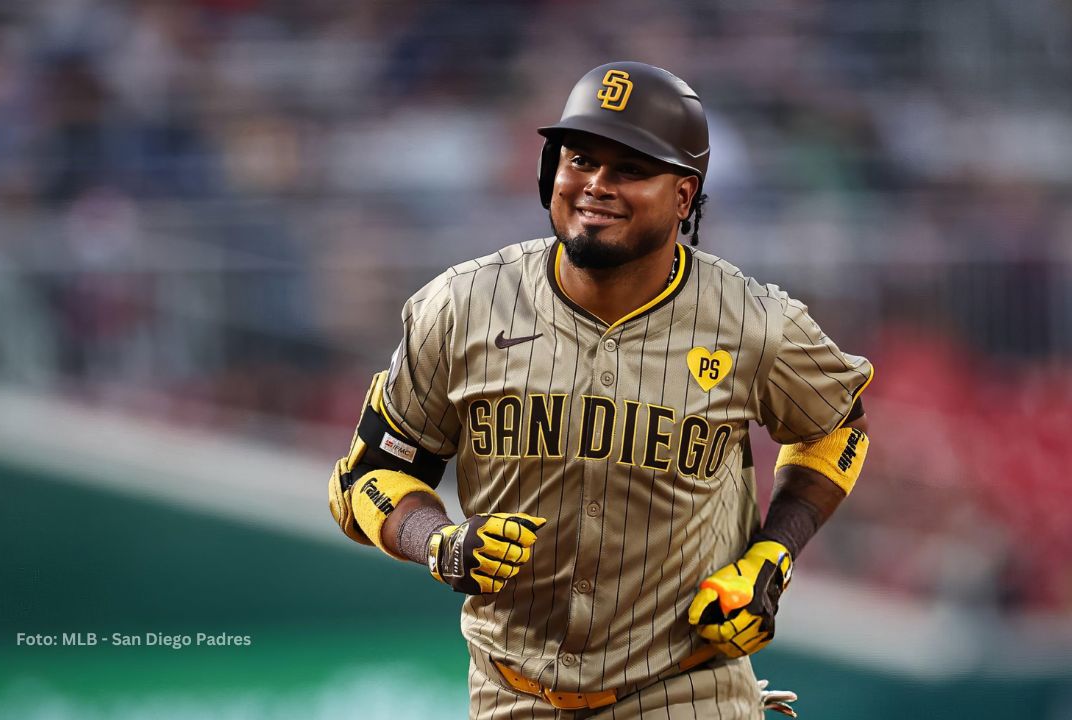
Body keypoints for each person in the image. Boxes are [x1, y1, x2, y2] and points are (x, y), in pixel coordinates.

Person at [327, 61, 873, 718]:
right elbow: (368, 476)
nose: (596, 185)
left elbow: (837, 425)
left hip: (687, 689)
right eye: (580, 159)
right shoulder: (461, 307)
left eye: (631, 170)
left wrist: (771, 556)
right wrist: (439, 543)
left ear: (684, 195)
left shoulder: (755, 323)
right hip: (510, 697)